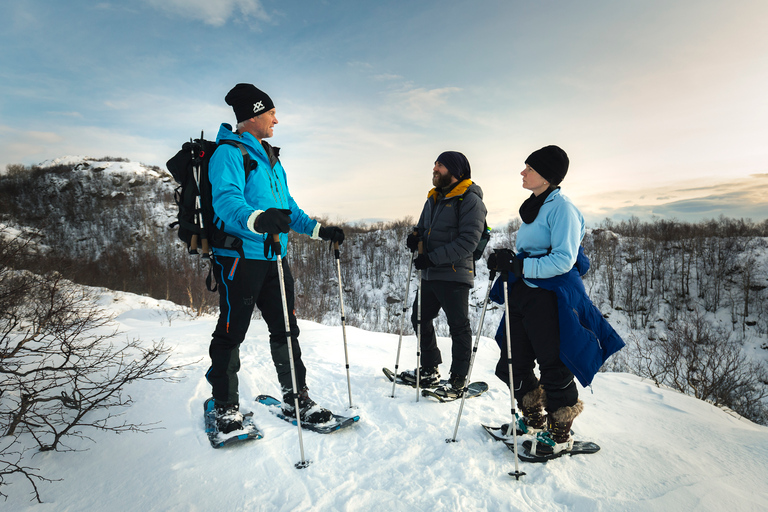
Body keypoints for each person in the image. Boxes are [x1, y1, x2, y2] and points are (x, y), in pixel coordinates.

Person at [205, 83, 345, 433]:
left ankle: (296, 397)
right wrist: (258, 220)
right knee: (231, 332)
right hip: (241, 259)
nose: (276, 120)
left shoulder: (270, 158)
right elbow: (226, 201)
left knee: (286, 330)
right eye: (270, 113)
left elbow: (289, 211)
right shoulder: (229, 154)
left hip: (275, 259)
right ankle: (225, 406)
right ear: (253, 115)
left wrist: (319, 231)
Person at [487, 145, 623, 456]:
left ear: (547, 175)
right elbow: (530, 251)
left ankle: (560, 433)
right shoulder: (535, 206)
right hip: (524, 292)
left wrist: (520, 266)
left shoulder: (563, 209)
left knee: (554, 364)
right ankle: (533, 419)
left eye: (529, 169)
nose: (523, 173)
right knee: (513, 358)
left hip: (550, 296)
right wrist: (506, 260)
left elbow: (564, 259)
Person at [398, 151, 487, 399]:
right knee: (420, 318)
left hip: (454, 274)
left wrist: (432, 258)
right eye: (435, 164)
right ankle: (429, 369)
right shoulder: (434, 197)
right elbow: (422, 227)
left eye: (440, 165)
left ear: (456, 171)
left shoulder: (470, 200)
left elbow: (469, 241)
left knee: (458, 327)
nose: (435, 168)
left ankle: (458, 380)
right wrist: (415, 237)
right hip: (430, 273)